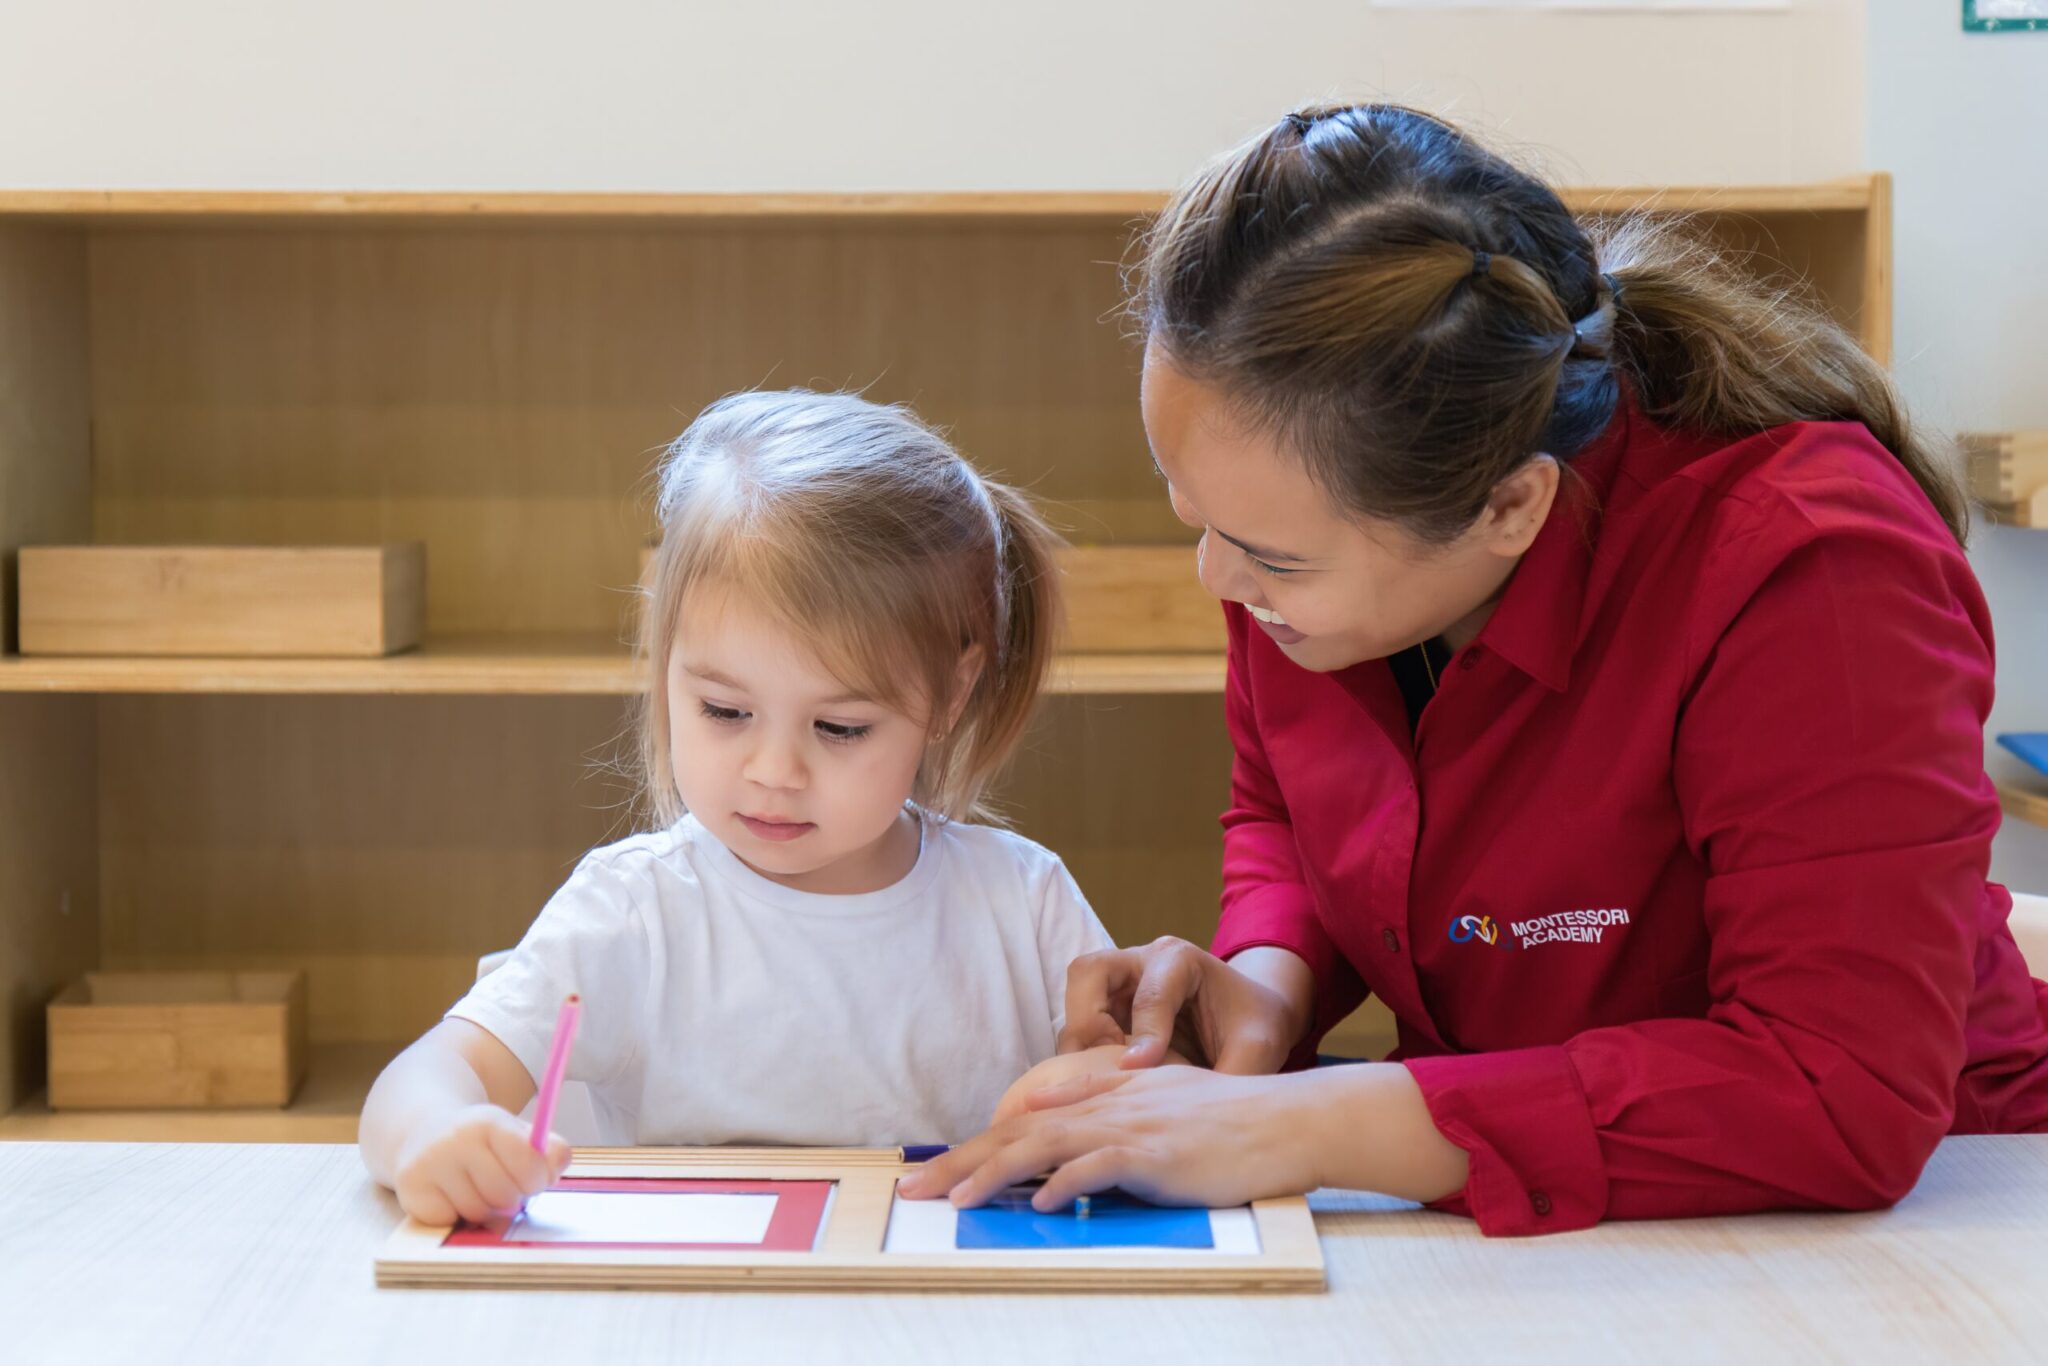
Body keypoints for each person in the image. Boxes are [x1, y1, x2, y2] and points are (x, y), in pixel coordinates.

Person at [901, 104, 2048, 1236]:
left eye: (1267, 555)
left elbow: (1831, 1090)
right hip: (1551, 1229)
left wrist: (1296, 1124)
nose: (1218, 579)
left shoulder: (1812, 571)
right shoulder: (1313, 534)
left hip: (1942, 1211)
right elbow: (1290, 814)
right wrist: (1261, 985)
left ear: (1508, 505)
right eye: (1192, 516)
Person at [361, 389, 1111, 1226]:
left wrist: (1097, 1094)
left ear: (951, 693)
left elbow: (1139, 1100)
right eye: (725, 711)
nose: (774, 771)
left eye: (839, 726)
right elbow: (421, 1079)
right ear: (666, 661)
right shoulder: (631, 913)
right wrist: (435, 1133)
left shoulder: (1023, 905)